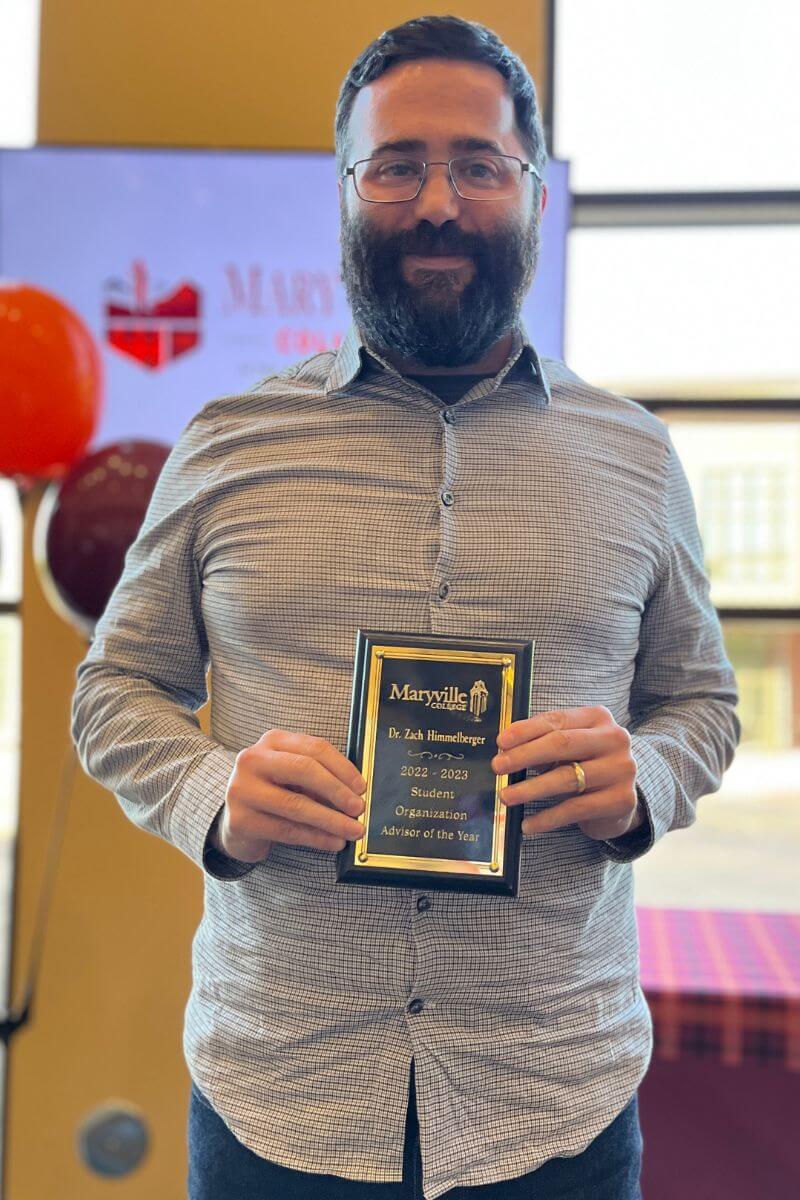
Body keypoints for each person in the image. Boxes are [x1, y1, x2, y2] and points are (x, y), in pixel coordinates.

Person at [71, 14, 740, 1200]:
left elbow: (698, 703)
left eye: (477, 164)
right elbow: (114, 690)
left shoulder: (634, 458)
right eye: (396, 165)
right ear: (344, 192)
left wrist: (643, 774)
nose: (437, 201)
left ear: (529, 192)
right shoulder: (227, 444)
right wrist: (211, 793)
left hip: (553, 1102)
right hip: (281, 1098)